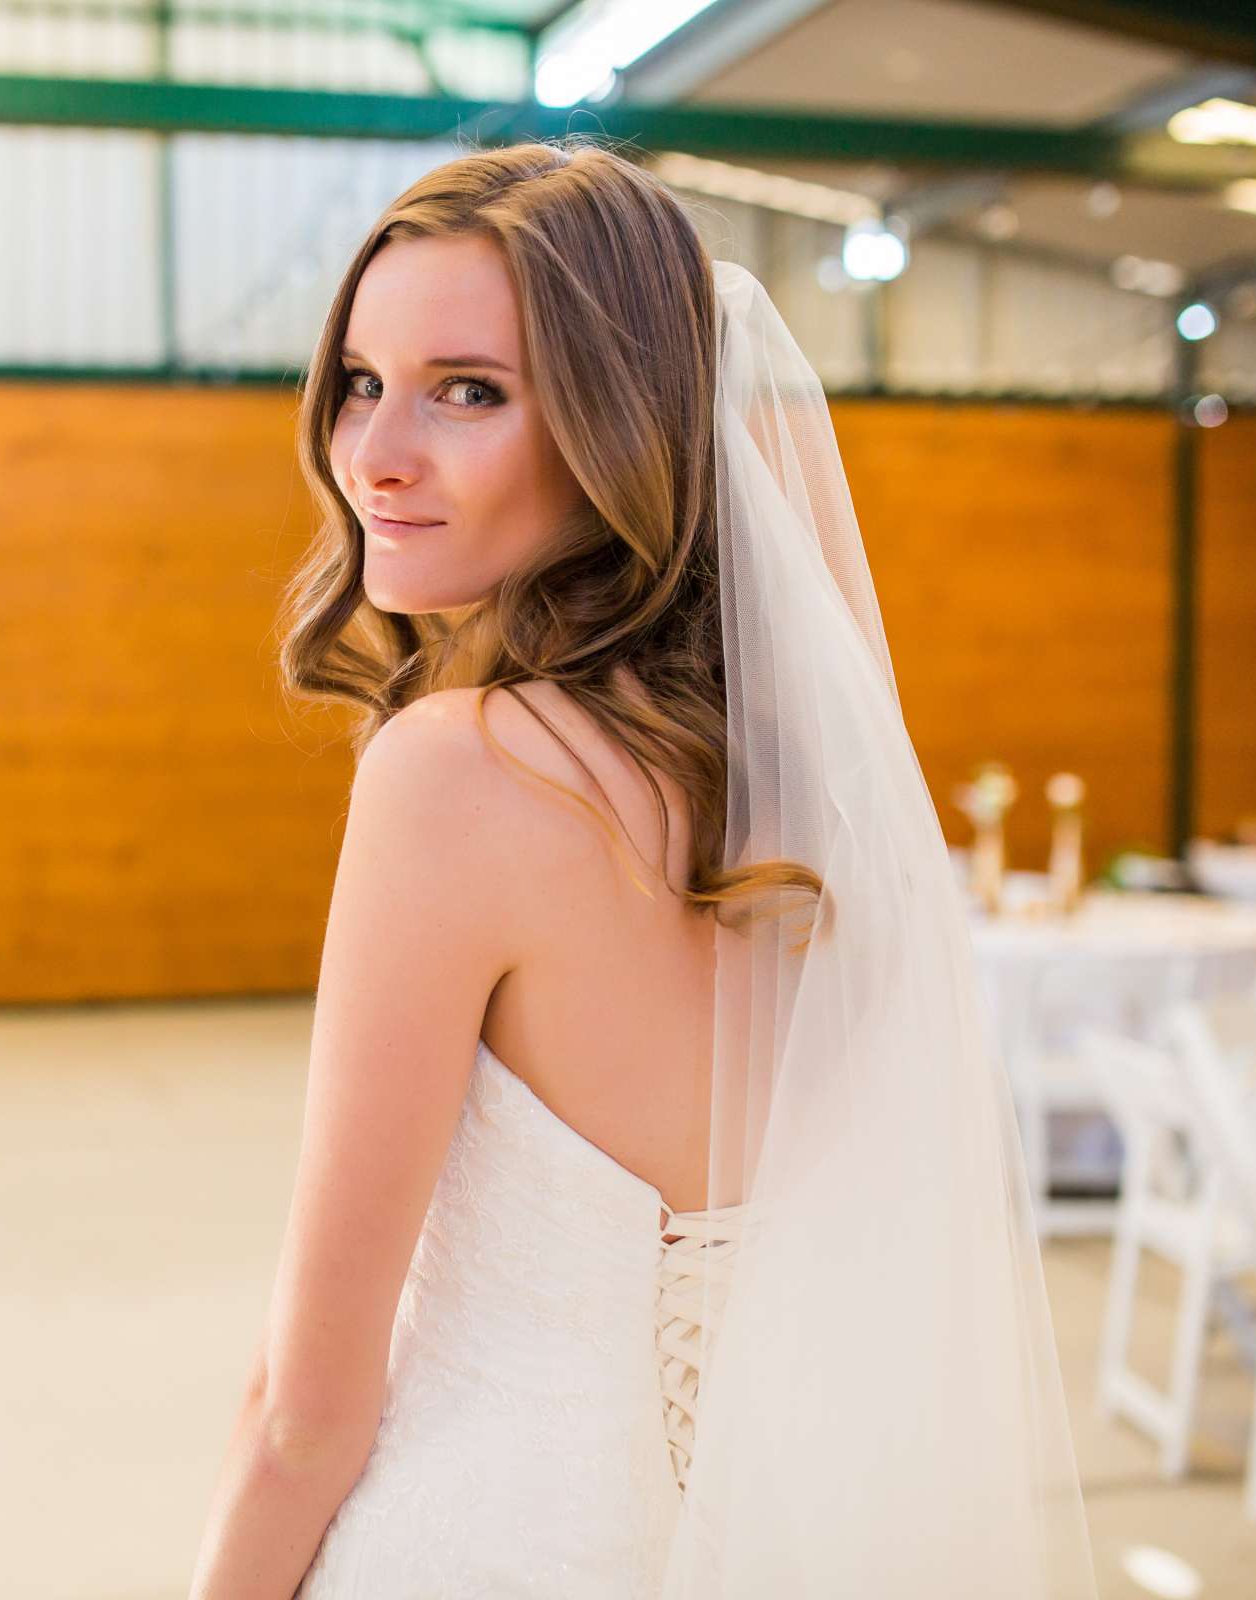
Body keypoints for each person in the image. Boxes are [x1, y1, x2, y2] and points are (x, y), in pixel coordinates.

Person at [188, 141, 1099, 1597]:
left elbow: (307, 1410)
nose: (377, 452)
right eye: (361, 381)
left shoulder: (455, 773)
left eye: (468, 390)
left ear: (623, 423)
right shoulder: (795, 801)